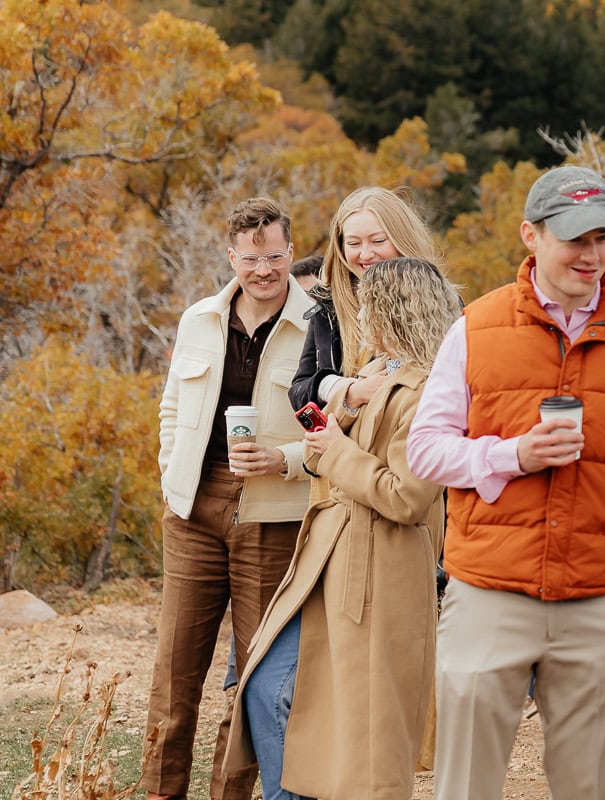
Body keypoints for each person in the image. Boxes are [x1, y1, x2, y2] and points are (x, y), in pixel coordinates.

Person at [407, 164, 605, 800]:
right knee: (465, 788)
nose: (591, 256)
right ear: (530, 236)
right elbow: (423, 451)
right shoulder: (474, 328)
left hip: (601, 599)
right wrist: (512, 456)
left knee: (588, 789)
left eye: (601, 239)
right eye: (574, 239)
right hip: (488, 595)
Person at [224, 257, 461, 800]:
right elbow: (330, 448)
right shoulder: (377, 374)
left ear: (394, 311)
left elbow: (406, 496)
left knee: (368, 730)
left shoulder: (430, 391)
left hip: (381, 568)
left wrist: (335, 452)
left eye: (369, 307)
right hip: (330, 553)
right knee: (267, 685)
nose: (358, 317)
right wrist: (329, 432)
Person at [138, 197, 312, 800]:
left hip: (273, 512)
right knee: (174, 670)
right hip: (193, 511)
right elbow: (171, 408)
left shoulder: (321, 324)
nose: (262, 269)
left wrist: (285, 461)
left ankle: (230, 794)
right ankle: (162, 791)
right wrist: (172, 475)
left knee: (253, 676)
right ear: (230, 256)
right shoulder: (198, 320)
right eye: (249, 258)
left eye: (273, 256)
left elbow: (334, 427)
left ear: (290, 252)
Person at [288, 186, 442, 413]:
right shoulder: (328, 306)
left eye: (378, 241)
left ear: (402, 239)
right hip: (335, 442)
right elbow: (299, 391)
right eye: (353, 243)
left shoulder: (439, 303)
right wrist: (348, 391)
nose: (366, 254)